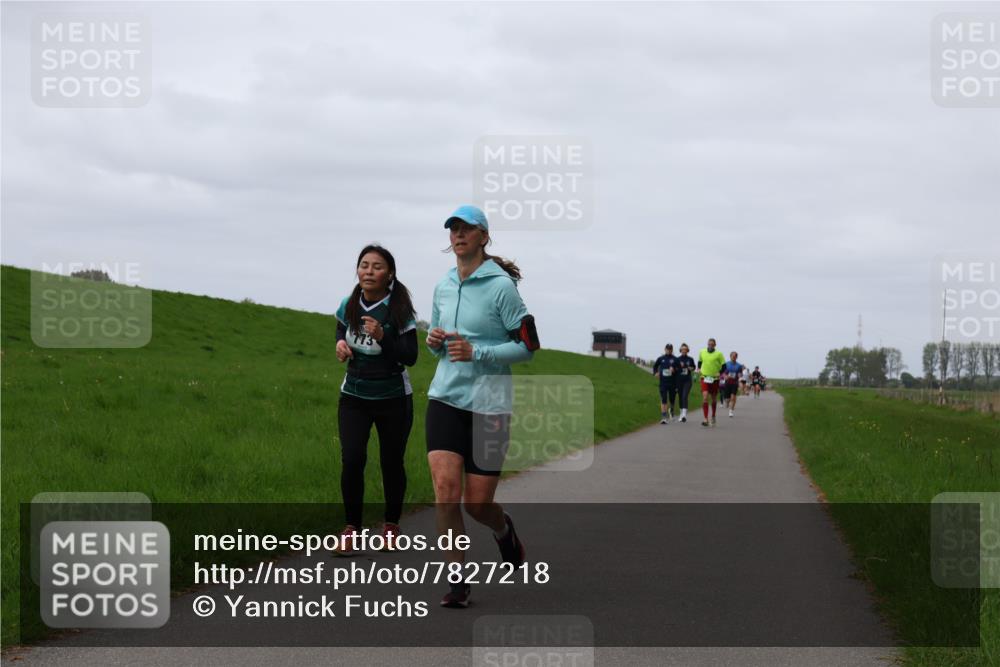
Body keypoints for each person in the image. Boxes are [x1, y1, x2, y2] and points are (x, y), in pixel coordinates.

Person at [425, 205, 535, 608]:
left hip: (490, 404)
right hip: (446, 397)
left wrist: (478, 352)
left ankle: (503, 529)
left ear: (484, 237)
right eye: (453, 228)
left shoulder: (502, 286)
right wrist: (434, 341)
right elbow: (433, 338)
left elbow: (527, 347)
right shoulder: (443, 285)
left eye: (467, 228)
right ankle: (458, 582)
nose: (458, 234)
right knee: (445, 490)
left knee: (476, 504)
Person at [334, 244, 418, 555]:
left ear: (390, 274)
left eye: (377, 266)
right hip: (354, 395)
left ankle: (391, 526)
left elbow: (410, 356)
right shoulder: (349, 303)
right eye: (364, 265)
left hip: (393, 398)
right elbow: (340, 330)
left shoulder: (399, 312)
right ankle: (351, 530)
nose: (369, 271)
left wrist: (385, 338)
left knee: (391, 462)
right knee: (352, 459)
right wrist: (341, 344)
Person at [697, 338, 726, 427]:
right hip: (704, 377)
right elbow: (699, 362)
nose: (710, 346)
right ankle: (705, 419)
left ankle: (713, 416)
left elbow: (724, 366)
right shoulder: (702, 352)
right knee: (705, 397)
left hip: (714, 379)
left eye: (712, 344)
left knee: (713, 398)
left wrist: (720, 373)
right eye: (709, 344)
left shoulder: (719, 354)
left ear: (715, 345)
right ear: (707, 344)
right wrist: (699, 369)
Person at [651, 344, 679, 423]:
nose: (669, 350)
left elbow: (679, 369)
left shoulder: (675, 359)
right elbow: (655, 366)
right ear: (665, 349)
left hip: (672, 383)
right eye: (667, 349)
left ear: (672, 350)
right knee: (664, 399)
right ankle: (664, 417)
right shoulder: (661, 358)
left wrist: (674, 370)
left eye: (670, 349)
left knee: (672, 399)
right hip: (663, 382)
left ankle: (671, 410)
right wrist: (655, 373)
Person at [675, 343, 697, 422]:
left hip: (687, 380)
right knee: (680, 397)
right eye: (682, 349)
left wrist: (690, 368)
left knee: (685, 396)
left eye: (685, 349)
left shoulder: (690, 359)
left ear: (687, 350)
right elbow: (674, 369)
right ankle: (681, 414)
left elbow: (694, 367)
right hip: (679, 381)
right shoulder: (677, 359)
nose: (684, 351)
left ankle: (684, 414)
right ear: (680, 350)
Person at [722, 352, 745, 418]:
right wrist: (725, 376)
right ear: (730, 356)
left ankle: (731, 411)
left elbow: (740, 374)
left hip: (734, 383)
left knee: (733, 397)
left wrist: (740, 375)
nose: (733, 357)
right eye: (732, 356)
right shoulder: (726, 364)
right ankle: (727, 402)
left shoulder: (739, 365)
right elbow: (723, 373)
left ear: (736, 357)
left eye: (735, 356)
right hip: (727, 382)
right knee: (727, 399)